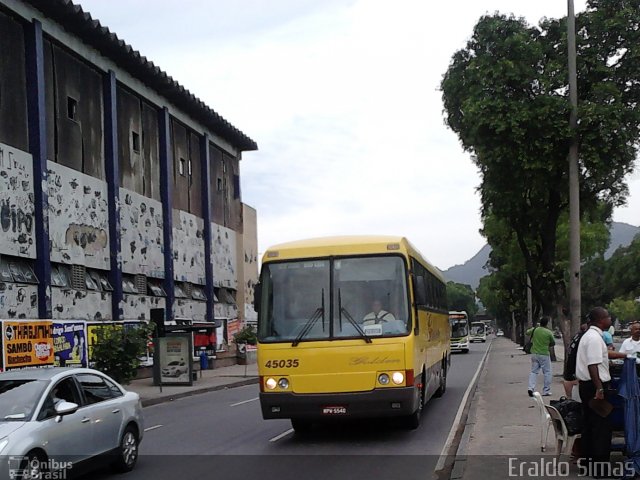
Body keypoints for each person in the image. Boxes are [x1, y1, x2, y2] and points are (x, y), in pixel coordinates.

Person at [575, 307, 617, 477]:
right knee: (601, 428)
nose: (610, 319)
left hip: (588, 385)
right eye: (608, 316)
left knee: (590, 426)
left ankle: (588, 463)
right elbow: (593, 365)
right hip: (594, 387)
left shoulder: (591, 336)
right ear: (601, 320)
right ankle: (600, 469)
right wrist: (599, 388)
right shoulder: (593, 338)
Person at [526, 316, 555, 397]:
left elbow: (527, 332)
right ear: (547, 323)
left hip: (534, 353)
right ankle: (546, 390)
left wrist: (535, 327)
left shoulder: (535, 330)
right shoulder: (548, 332)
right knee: (547, 372)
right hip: (544, 354)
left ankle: (531, 388)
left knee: (534, 371)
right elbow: (553, 342)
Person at [563, 321, 589, 398]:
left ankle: (570, 399)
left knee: (569, 380)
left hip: (570, 367)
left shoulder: (577, 336)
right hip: (575, 368)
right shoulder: (584, 337)